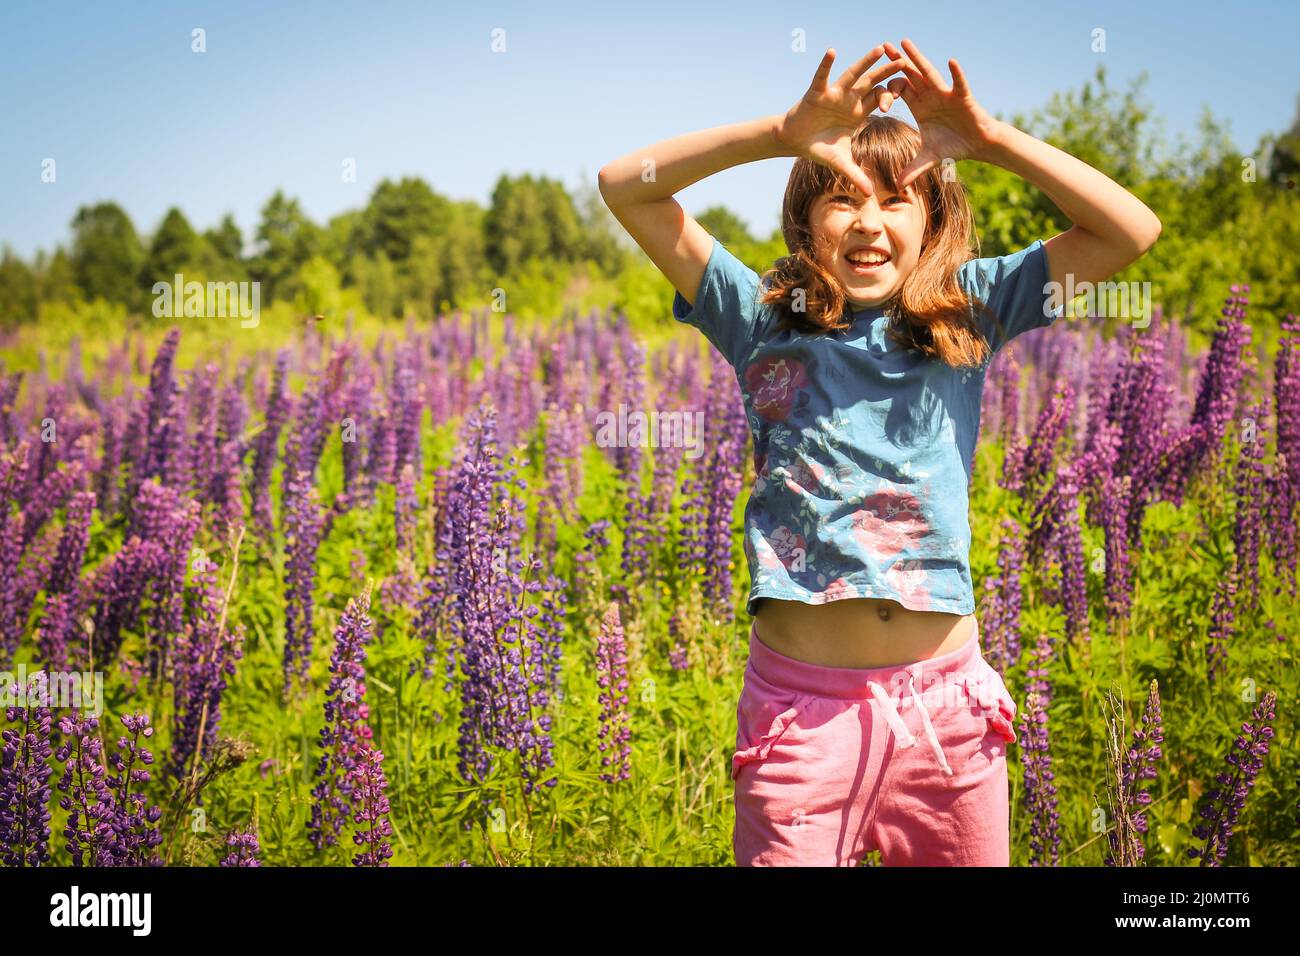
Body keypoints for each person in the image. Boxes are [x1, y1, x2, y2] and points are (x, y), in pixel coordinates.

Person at [597, 39, 1161, 866]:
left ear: (933, 219)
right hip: (800, 716)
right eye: (841, 198)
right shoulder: (760, 316)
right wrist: (783, 132)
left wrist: (989, 139)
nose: (867, 220)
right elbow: (626, 188)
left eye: (896, 199)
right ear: (805, 220)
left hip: (946, 719)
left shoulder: (971, 310)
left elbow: (1130, 230)